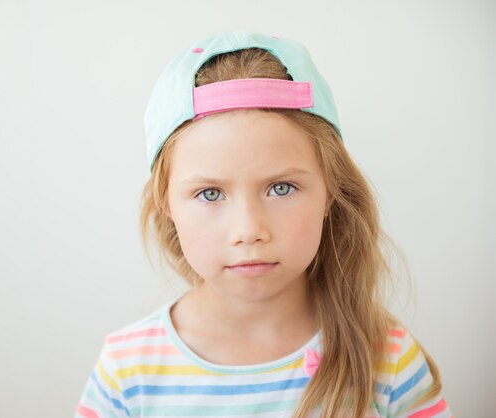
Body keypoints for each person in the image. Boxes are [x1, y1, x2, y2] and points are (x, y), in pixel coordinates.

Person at [75, 31, 452, 418]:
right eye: (210, 193)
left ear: (331, 192)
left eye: (281, 187)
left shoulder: (385, 360)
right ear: (166, 203)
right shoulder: (127, 371)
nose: (249, 229)